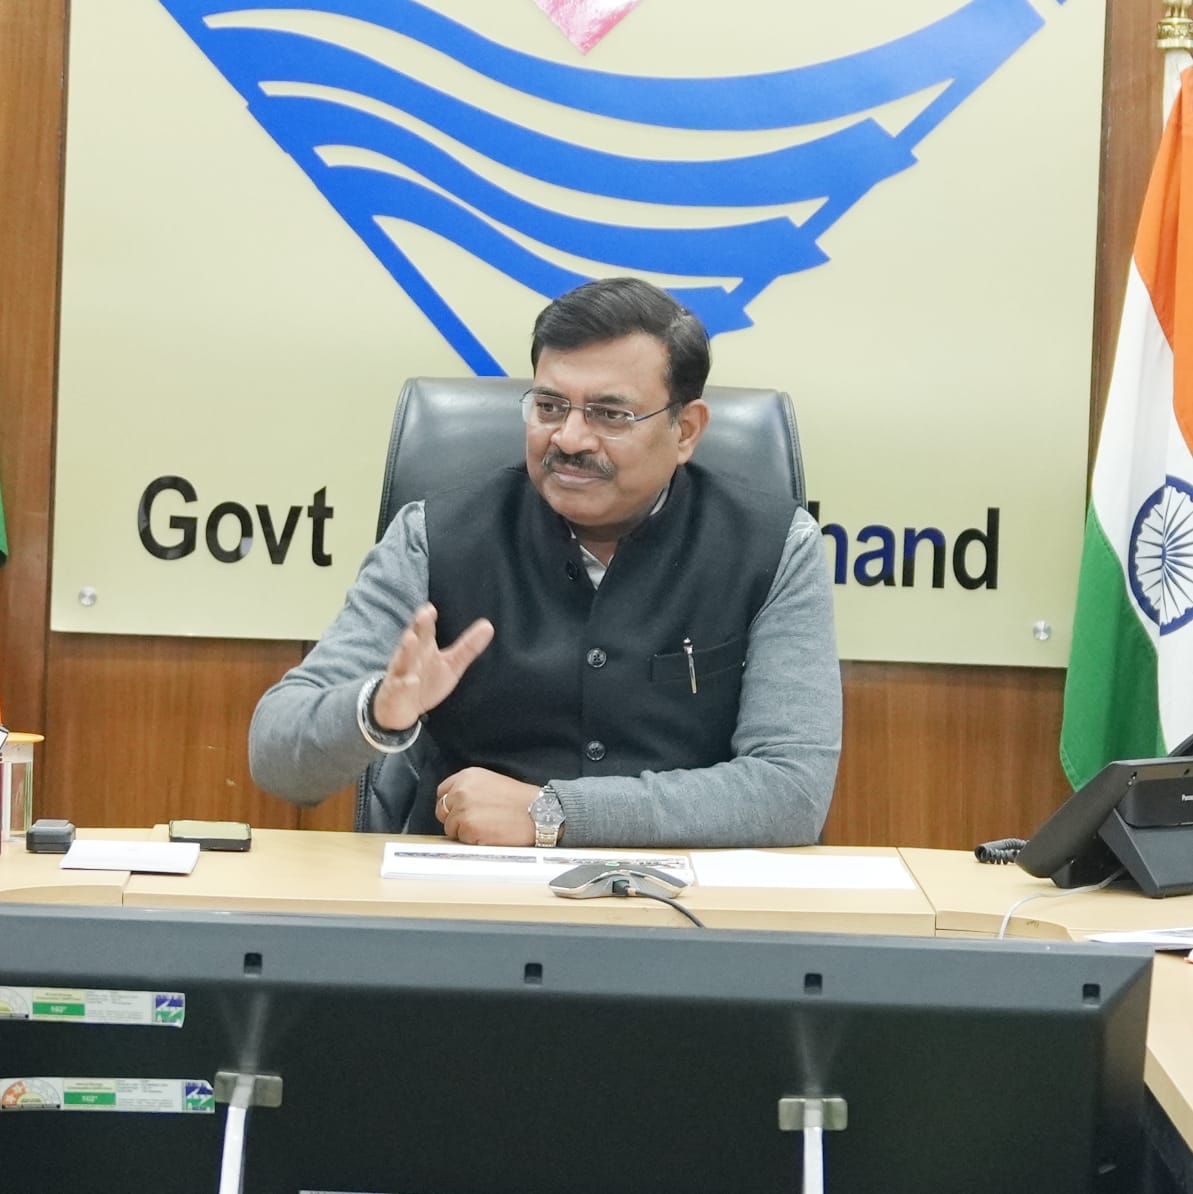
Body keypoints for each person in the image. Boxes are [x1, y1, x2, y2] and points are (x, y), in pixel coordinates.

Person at [249, 277, 841, 848]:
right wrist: (378, 709)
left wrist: (553, 813)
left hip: (691, 902)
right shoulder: (433, 537)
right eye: (550, 406)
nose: (570, 439)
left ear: (685, 430)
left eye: (610, 414)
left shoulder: (774, 547)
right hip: (469, 894)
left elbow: (791, 790)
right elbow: (276, 755)